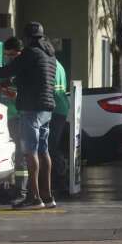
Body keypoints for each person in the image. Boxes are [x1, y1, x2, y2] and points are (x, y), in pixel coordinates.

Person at [0, 22, 56, 210]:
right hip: (46, 108)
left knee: (29, 152)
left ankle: (34, 198)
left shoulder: (31, 52)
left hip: (31, 108)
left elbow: (7, 71)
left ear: (27, 38)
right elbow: (27, 76)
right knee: (43, 151)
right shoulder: (49, 55)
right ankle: (48, 197)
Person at [0, 37, 28, 205]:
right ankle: (10, 187)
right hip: (7, 117)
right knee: (11, 154)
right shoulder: (10, 69)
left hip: (19, 117)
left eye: (11, 55)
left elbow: (20, 95)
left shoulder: (23, 68)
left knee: (20, 155)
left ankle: (22, 191)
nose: (8, 58)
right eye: (6, 55)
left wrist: (4, 91)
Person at [49, 57, 70, 192]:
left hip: (54, 108)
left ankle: (59, 181)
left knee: (51, 146)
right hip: (61, 106)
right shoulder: (59, 64)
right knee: (53, 145)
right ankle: (59, 179)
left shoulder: (49, 64)